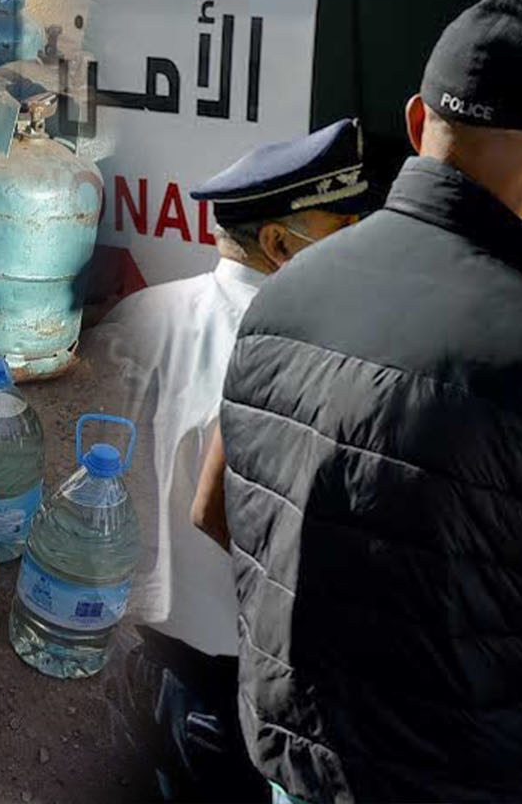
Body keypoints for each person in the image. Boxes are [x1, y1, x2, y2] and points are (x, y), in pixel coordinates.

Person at [216, 0, 522, 802]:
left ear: (418, 121)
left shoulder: (278, 295)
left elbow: (217, 509)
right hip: (470, 775)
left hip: (299, 763)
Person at [91, 120, 376, 802]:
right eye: (344, 228)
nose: (361, 246)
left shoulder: (139, 317)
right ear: (279, 243)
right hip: (236, 697)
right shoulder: (305, 363)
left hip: (127, 663)